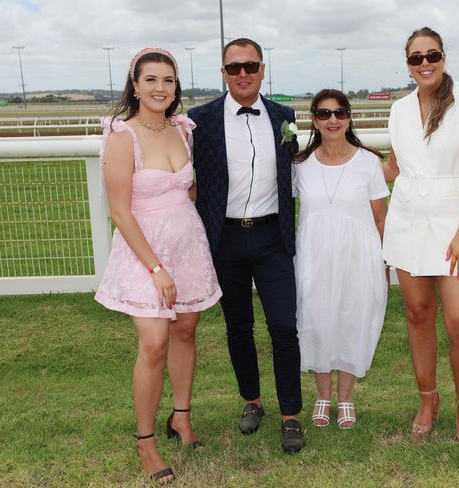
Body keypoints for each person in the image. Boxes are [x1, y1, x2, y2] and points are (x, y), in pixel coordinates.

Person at [94, 47, 222, 483]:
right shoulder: (121, 136)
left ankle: (181, 417)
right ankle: (145, 443)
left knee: (186, 330)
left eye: (167, 80)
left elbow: (189, 192)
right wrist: (155, 268)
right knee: (153, 343)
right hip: (143, 251)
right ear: (134, 84)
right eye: (150, 80)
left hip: (187, 245)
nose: (159, 88)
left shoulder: (182, 131)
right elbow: (119, 211)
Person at [188, 38, 304, 453]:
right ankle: (252, 402)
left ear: (262, 70)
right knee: (238, 327)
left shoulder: (284, 116)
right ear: (223, 72)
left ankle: (291, 414)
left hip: (273, 236)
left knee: (284, 328)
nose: (243, 73)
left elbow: (295, 169)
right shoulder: (198, 120)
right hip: (226, 238)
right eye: (234, 67)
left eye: (251, 66)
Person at [382, 27, 459, 447]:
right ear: (407, 64)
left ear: (444, 57)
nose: (424, 63)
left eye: (432, 55)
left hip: (454, 224)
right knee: (417, 313)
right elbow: (394, 167)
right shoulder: (398, 108)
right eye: (416, 58)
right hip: (408, 220)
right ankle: (429, 399)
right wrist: (336, 161)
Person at [293, 89, 389, 429]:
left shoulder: (368, 163)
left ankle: (346, 398)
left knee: (352, 318)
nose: (332, 120)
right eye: (323, 113)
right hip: (314, 257)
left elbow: (380, 218)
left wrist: (384, 260)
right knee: (316, 319)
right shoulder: (300, 165)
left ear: (349, 118)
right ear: (314, 121)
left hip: (358, 257)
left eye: (339, 112)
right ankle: (322, 395)